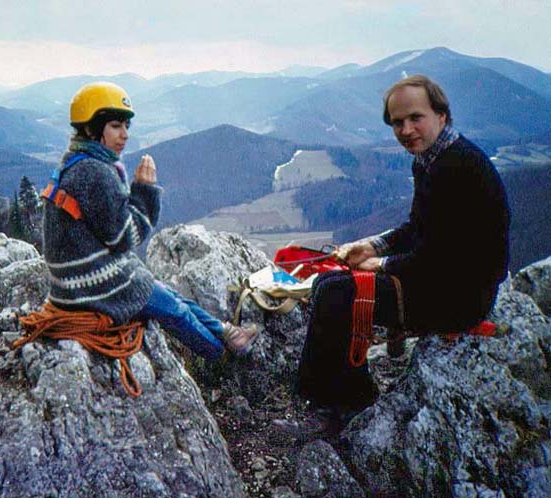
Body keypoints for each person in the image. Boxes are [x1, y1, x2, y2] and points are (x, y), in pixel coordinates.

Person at [294, 74, 510, 430]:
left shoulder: (459, 168)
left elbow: (440, 259)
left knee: (336, 294)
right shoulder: (432, 159)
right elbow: (417, 227)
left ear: (441, 116)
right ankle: (340, 391)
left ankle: (342, 402)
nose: (406, 129)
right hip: (445, 282)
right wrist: (372, 245)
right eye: (398, 122)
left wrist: (380, 265)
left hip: (460, 295)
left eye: (415, 118)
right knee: (328, 285)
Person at [40, 81, 257, 362]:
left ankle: (228, 333)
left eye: (126, 127)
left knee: (168, 293)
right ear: (93, 129)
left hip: (76, 279)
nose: (125, 135)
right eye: (116, 126)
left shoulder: (78, 162)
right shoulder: (95, 173)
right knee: (173, 309)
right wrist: (145, 193)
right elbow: (125, 238)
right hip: (92, 285)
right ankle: (222, 358)